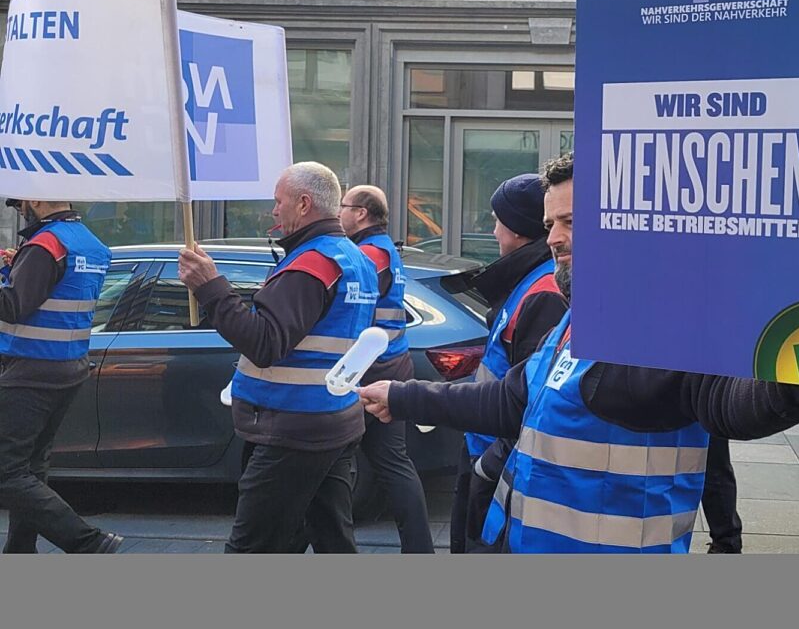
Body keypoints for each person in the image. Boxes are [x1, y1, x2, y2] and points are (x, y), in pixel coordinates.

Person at [358, 152, 799, 554]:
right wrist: (401, 396)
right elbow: (513, 399)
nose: (554, 238)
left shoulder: (662, 324)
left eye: (571, 222)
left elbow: (729, 401)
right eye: (550, 224)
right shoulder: (580, 317)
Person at [178, 162, 378, 553]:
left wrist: (210, 287)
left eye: (278, 201)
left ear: (303, 204)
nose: (273, 210)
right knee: (332, 541)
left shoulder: (311, 264)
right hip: (333, 420)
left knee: (252, 549)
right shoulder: (356, 259)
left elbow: (264, 343)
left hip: (292, 427)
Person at [445, 173, 567, 553]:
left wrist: (486, 467)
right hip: (485, 449)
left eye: (498, 220)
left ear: (516, 228)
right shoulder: (530, 282)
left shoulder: (543, 292)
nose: (494, 230)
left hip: (496, 462)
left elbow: (526, 403)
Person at [0, 197, 123, 553]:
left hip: (30, 370)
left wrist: (24, 267)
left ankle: (88, 543)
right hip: (67, 368)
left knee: (6, 471)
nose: (21, 209)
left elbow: (13, 306)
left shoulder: (46, 245)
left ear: (37, 198)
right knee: (30, 468)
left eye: (21, 203)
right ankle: (20, 552)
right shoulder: (90, 243)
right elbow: (56, 290)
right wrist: (16, 269)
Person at [338, 184, 434, 553]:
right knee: (393, 463)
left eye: (344, 206)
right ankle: (420, 550)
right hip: (391, 364)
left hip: (369, 371)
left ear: (361, 213)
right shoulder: (385, 250)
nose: (339, 213)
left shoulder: (368, 255)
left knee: (326, 459)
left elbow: (346, 304)